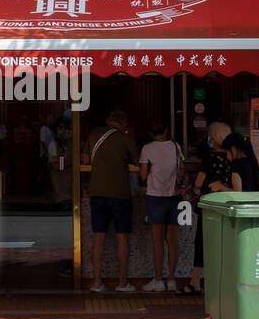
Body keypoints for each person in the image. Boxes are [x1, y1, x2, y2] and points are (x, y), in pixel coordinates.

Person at [82, 108, 138, 293]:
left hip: (97, 192)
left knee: (99, 237)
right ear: (124, 123)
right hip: (120, 193)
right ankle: (122, 282)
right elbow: (138, 161)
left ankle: (97, 282)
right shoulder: (125, 138)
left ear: (108, 119)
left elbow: (85, 159)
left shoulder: (93, 134)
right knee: (122, 236)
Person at [180, 121, 232, 297]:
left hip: (209, 204)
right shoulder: (232, 158)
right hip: (227, 204)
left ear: (212, 138)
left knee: (202, 244)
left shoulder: (209, 158)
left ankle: (195, 282)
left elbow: (199, 182)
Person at [138, 120, 185, 293]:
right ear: (166, 130)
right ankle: (171, 280)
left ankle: (158, 280)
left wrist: (147, 170)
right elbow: (182, 170)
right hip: (174, 197)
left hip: (155, 197)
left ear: (150, 133)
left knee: (157, 241)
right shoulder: (175, 146)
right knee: (172, 241)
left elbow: (143, 176)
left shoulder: (147, 148)